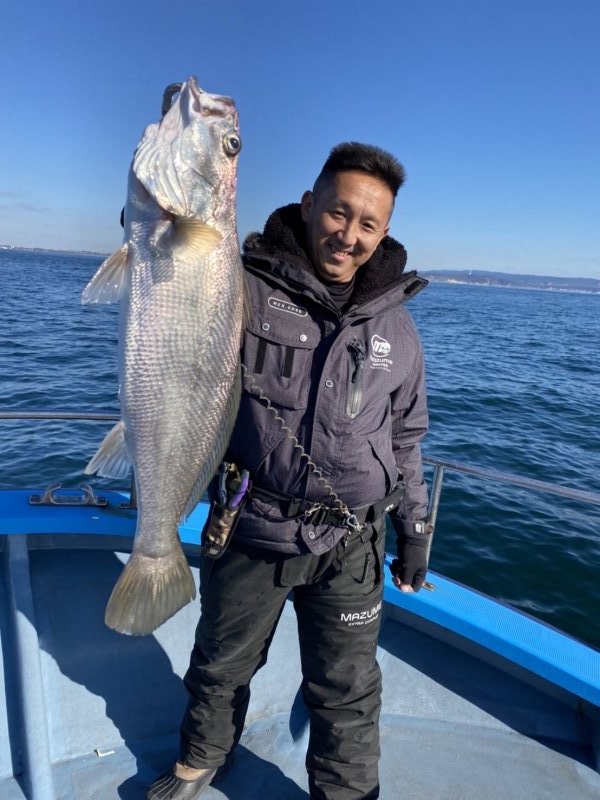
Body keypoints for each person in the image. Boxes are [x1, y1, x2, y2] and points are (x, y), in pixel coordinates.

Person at [147, 142, 430, 800]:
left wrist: (415, 529)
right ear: (308, 205)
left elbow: (408, 435)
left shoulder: (397, 329)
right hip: (253, 524)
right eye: (338, 213)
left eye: (368, 224)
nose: (349, 235)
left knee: (348, 688)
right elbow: (170, 271)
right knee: (222, 662)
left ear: (384, 233)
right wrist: (162, 194)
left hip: (353, 543)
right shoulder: (241, 287)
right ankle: (201, 757)